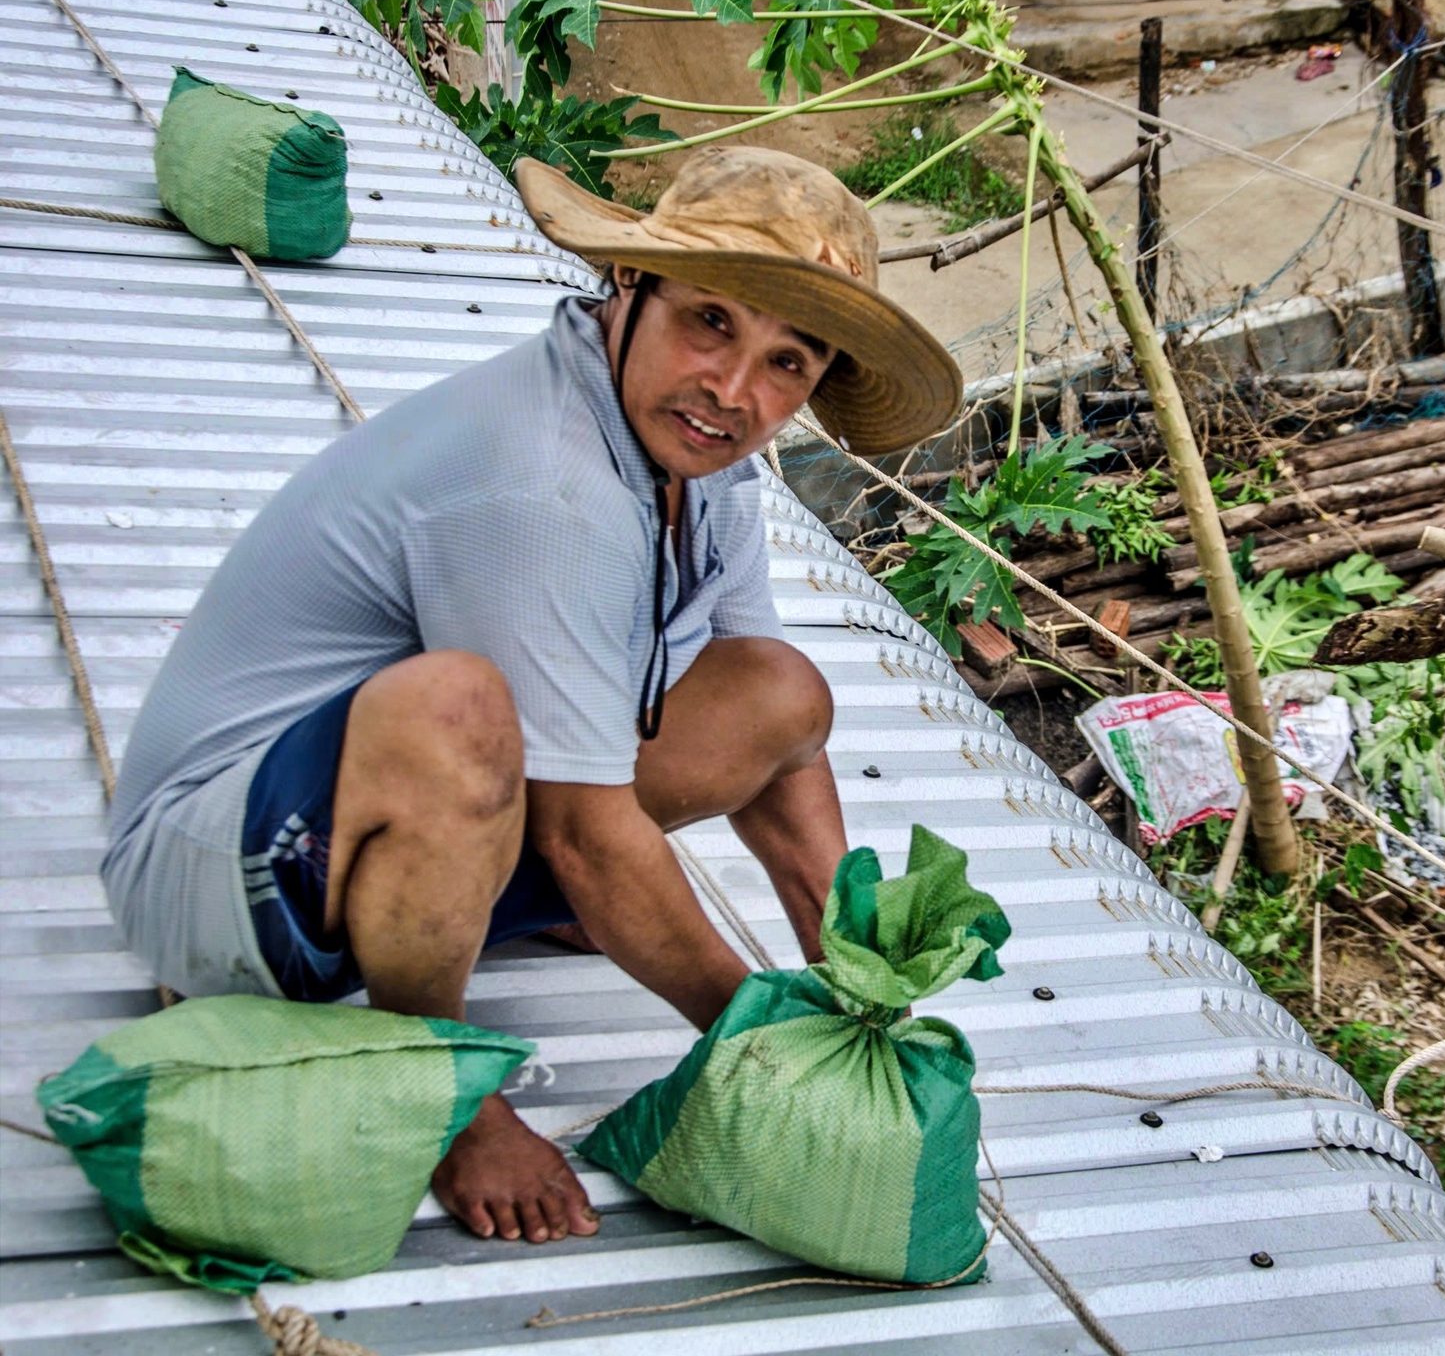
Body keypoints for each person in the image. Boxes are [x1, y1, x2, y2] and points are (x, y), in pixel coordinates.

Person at [100, 148, 961, 1247]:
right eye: (709, 323)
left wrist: (852, 974)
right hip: (222, 876)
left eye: (785, 360)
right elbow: (592, 834)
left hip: (366, 836)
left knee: (778, 690)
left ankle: (490, 902)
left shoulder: (709, 472)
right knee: (458, 709)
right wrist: (763, 1040)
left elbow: (774, 738)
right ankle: (445, 1091)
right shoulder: (541, 478)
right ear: (627, 290)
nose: (735, 392)